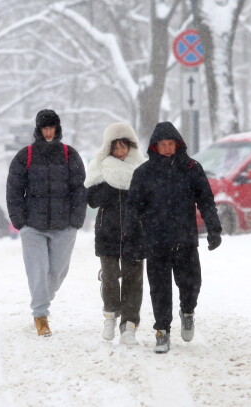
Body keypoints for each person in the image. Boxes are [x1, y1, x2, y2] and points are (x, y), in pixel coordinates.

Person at [123, 121, 222, 353]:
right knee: (160, 288)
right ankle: (162, 331)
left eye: (171, 144)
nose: (167, 149)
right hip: (155, 241)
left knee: (191, 284)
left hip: (185, 239)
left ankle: (188, 310)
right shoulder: (143, 173)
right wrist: (132, 239)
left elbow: (206, 201)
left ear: (178, 145)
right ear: (155, 147)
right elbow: (133, 209)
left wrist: (214, 229)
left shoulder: (191, 168)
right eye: (163, 145)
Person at [6, 109, 87, 337]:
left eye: (52, 127)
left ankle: (42, 298)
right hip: (33, 226)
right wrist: (20, 222)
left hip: (64, 226)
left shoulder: (70, 155)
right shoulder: (25, 155)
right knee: (37, 271)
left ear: (58, 128)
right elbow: (13, 190)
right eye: (45, 128)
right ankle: (40, 315)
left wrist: (76, 221)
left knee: (58, 272)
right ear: (38, 129)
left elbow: (80, 189)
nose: (49, 132)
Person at [85, 123, 145, 345]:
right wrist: (112, 182)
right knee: (110, 277)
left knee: (134, 280)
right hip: (107, 232)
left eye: (124, 147)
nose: (120, 152)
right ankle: (110, 315)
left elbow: (148, 201)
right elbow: (91, 200)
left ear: (131, 146)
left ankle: (129, 326)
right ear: (108, 148)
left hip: (135, 232)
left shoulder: (141, 168)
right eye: (115, 147)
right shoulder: (99, 167)